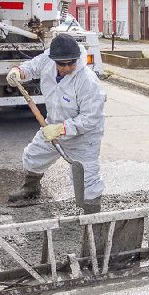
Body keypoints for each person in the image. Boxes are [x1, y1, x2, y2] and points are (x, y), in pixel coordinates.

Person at [6, 35, 106, 214]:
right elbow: (32, 66)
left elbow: (90, 118)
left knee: (88, 179)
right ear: (54, 61)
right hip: (51, 127)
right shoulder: (47, 60)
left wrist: (61, 129)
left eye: (71, 63)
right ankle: (31, 189)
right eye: (62, 64)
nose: (67, 68)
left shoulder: (87, 81)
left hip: (83, 137)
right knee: (33, 156)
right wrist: (18, 71)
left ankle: (91, 214)